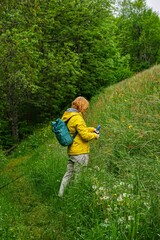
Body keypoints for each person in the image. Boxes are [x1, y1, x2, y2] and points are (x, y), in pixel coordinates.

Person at [58, 96, 99, 197]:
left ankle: (60, 194)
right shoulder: (77, 118)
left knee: (68, 174)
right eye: (85, 107)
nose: (86, 109)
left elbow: (76, 130)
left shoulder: (68, 115)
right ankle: (76, 196)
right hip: (80, 152)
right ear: (81, 106)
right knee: (79, 176)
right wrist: (95, 135)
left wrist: (91, 129)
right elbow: (84, 136)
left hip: (72, 151)